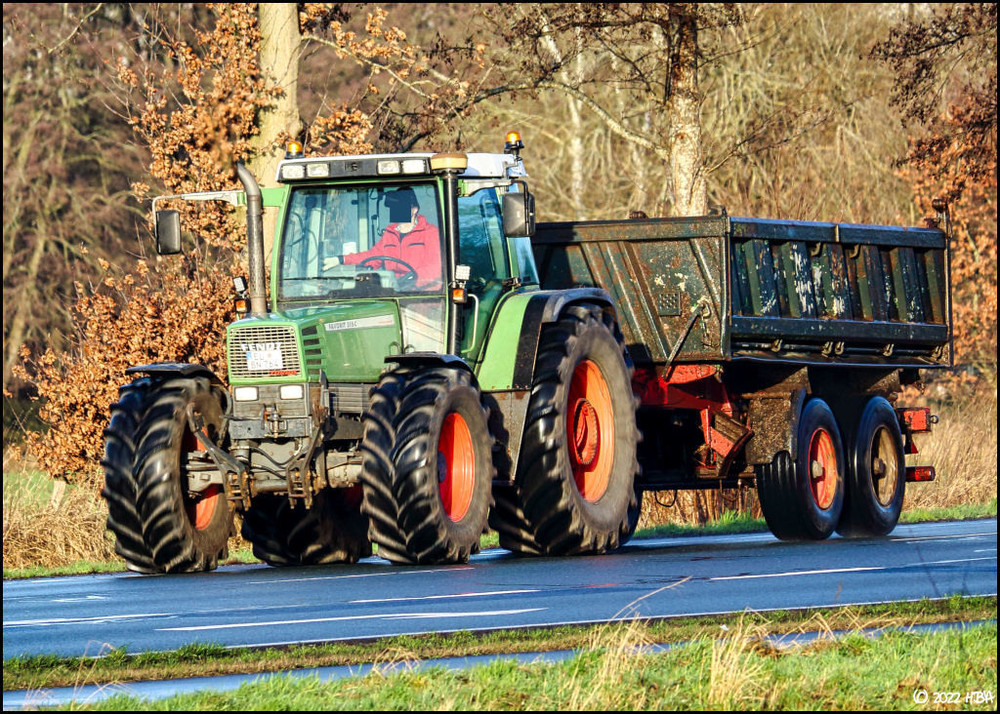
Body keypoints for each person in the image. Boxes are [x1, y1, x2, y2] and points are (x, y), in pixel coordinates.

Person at [323, 188, 442, 289]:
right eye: (393, 207)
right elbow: (372, 256)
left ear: (414, 209)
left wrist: (413, 278)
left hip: (423, 296)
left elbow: (435, 267)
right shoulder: (390, 234)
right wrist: (341, 260)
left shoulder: (430, 232)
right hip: (395, 291)